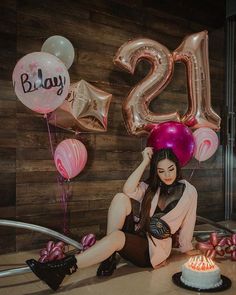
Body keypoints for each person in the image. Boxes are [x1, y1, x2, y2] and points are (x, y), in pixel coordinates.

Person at [26, 147, 199, 291]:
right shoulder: (152, 188)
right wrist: (145, 162)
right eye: (161, 171)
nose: (167, 175)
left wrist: (187, 248)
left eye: (171, 169)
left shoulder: (189, 192)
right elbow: (129, 189)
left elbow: (189, 222)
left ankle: (63, 268)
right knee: (120, 198)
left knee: (116, 237)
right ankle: (109, 256)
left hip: (152, 250)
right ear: (156, 172)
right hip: (139, 233)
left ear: (177, 167)